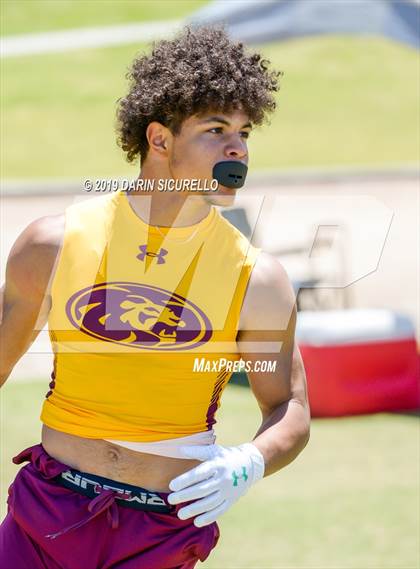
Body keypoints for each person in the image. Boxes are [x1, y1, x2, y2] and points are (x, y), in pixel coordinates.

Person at [0, 26, 310, 569]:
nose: (237, 146)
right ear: (160, 139)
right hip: (45, 511)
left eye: (244, 131)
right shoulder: (53, 243)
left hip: (161, 530)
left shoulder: (257, 277)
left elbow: (290, 408)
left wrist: (249, 462)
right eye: (216, 129)